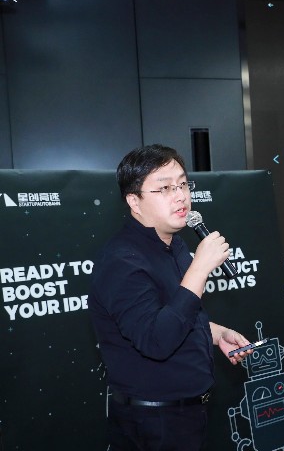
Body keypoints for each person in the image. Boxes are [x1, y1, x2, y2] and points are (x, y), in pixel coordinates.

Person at [89, 144, 252, 450]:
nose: (180, 196)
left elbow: (174, 312)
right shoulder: (121, 262)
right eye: (164, 188)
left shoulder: (174, 244)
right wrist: (200, 268)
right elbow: (156, 340)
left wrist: (216, 334)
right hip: (153, 422)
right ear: (134, 201)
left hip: (189, 413)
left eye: (182, 184)